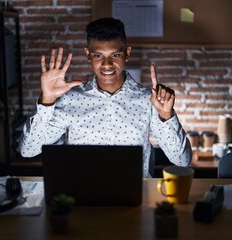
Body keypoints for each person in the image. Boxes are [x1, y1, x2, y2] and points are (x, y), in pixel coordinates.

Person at [19, 17, 192, 177]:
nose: (107, 64)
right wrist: (47, 101)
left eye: (115, 55)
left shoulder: (150, 100)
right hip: (83, 197)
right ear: (88, 55)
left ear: (127, 53)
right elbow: (28, 150)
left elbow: (182, 161)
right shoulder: (71, 99)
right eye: (98, 55)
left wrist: (166, 116)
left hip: (135, 199)